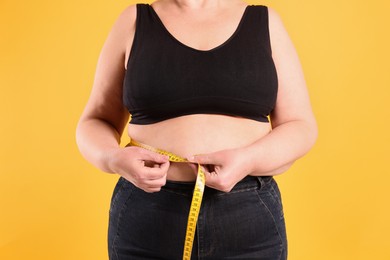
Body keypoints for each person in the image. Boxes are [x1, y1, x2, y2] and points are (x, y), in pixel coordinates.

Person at [76, 0, 317, 259]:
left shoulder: (265, 21)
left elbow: (300, 126)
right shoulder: (134, 20)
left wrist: (250, 160)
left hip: (247, 212)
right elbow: (96, 120)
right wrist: (112, 159)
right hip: (147, 211)